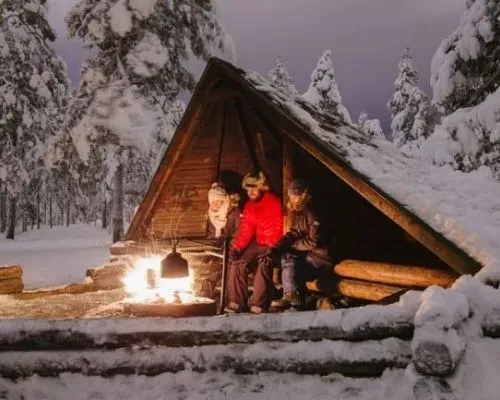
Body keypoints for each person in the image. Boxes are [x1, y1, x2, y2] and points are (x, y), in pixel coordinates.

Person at [225, 171, 283, 314]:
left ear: (261, 187)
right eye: (248, 189)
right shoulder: (250, 206)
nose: (250, 192)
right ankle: (237, 302)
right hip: (258, 244)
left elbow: (279, 227)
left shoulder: (273, 202)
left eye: (253, 188)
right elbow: (246, 229)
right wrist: (236, 247)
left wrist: (273, 247)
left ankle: (258, 303)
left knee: (264, 263)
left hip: (273, 244)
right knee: (237, 262)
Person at [271, 178, 332, 309]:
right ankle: (294, 297)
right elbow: (294, 232)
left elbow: (313, 241)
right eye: (291, 196)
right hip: (314, 254)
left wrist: (293, 246)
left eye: (295, 196)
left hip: (322, 258)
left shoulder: (312, 213)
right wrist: (279, 244)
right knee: (286, 257)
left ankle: (293, 296)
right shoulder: (302, 212)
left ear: (303, 195)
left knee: (290, 258)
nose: (292, 199)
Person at [195, 183, 240, 298]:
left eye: (217, 202)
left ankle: (228, 299)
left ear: (223, 201)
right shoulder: (212, 215)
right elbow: (211, 235)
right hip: (219, 249)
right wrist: (209, 251)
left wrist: (229, 247)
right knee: (214, 270)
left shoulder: (234, 212)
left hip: (233, 248)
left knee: (229, 273)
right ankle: (205, 296)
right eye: (212, 202)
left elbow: (239, 232)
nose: (214, 205)